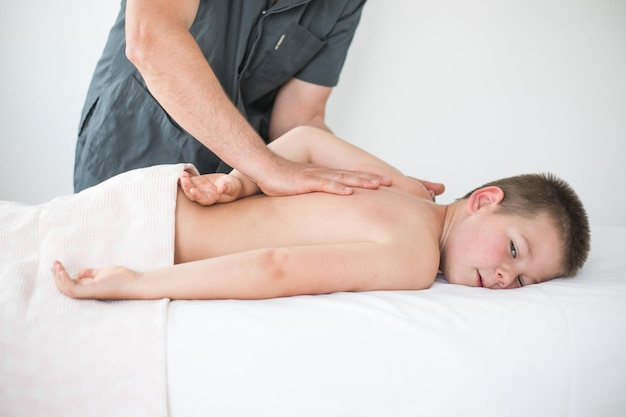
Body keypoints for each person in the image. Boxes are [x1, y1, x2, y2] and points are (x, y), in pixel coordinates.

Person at [54, 126, 590, 300]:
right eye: (513, 251)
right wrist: (139, 284)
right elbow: (275, 267)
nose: (502, 277)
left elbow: (307, 145)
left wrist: (241, 182)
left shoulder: (403, 191)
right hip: (145, 236)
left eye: (521, 281)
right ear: (484, 200)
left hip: (152, 193)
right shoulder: (413, 258)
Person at [72, 0, 447, 200]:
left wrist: (381, 184)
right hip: (131, 147)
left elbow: (300, 117)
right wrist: (268, 168)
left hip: (229, 184)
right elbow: (151, 41)